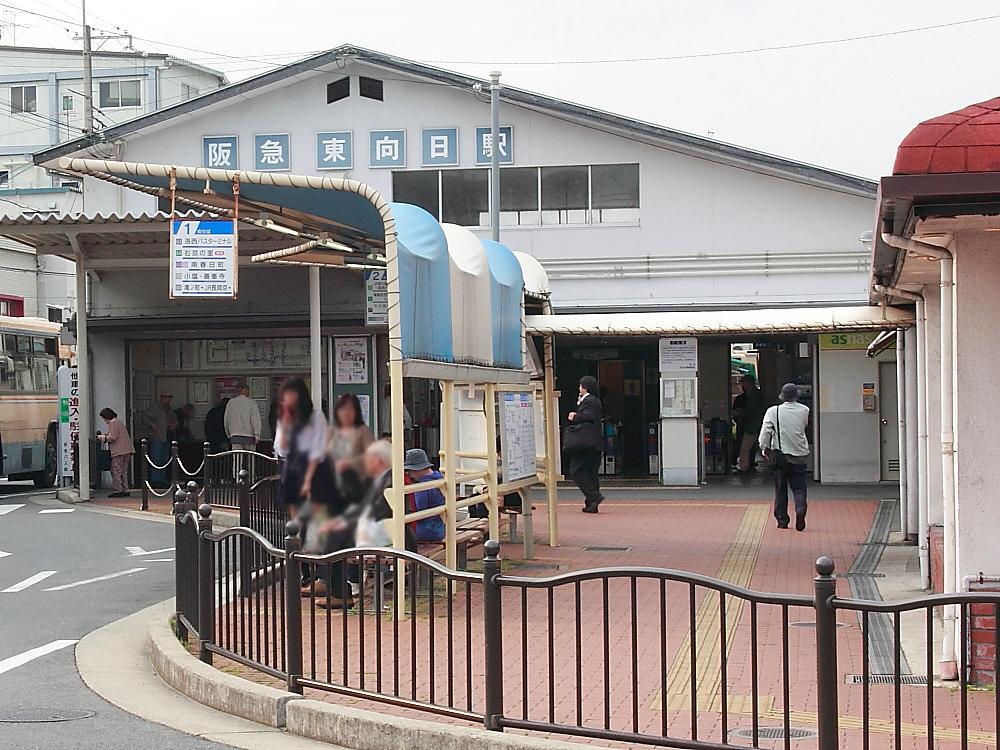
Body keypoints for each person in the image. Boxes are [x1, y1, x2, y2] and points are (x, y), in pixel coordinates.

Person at [273, 377, 332, 511]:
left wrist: (307, 480)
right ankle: (297, 532)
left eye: (291, 393)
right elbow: (281, 449)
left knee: (314, 510)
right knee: (294, 508)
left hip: (315, 468)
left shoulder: (316, 417)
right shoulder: (284, 419)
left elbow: (318, 449)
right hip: (292, 465)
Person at [759, 383, 811, 531]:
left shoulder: (773, 411)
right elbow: (803, 426)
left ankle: (782, 520)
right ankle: (800, 509)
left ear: (782, 396)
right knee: (799, 487)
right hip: (799, 456)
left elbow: (765, 432)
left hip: (780, 456)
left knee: (780, 489)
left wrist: (764, 448)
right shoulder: (804, 410)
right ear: (796, 396)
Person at [567, 375, 605, 513]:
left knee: (575, 470)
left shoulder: (588, 401)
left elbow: (588, 416)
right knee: (591, 472)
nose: (579, 388)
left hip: (585, 443)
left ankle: (594, 497)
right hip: (595, 443)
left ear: (585, 387)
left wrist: (575, 416)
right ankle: (591, 504)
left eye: (580, 385)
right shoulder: (595, 400)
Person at [327, 393, 374, 501]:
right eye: (343, 409)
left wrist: (350, 463)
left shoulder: (363, 430)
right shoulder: (331, 431)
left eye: (350, 409)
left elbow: (371, 455)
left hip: (356, 486)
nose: (346, 413)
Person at [403, 448, 445, 542]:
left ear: (416, 470)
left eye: (409, 471)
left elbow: (418, 508)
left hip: (425, 531)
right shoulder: (440, 478)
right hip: (441, 528)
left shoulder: (422, 487)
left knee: (399, 530)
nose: (410, 475)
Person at [97, 407, 134, 498]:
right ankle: (126, 489)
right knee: (123, 471)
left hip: (118, 451)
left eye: (104, 418)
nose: (104, 421)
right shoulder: (118, 421)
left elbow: (112, 437)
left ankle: (118, 490)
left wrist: (102, 437)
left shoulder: (113, 422)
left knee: (116, 471)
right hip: (126, 450)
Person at [142, 393, 176, 487]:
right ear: (162, 397)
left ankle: (162, 479)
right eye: (167, 397)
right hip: (157, 437)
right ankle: (155, 480)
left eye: (170, 397)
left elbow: (174, 419)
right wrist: (152, 424)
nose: (169, 399)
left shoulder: (169, 409)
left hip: (167, 437)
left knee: (164, 459)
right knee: (156, 459)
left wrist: (173, 424)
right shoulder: (155, 408)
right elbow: (144, 416)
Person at [735, 374, 766, 473]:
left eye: (743, 382)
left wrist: (740, 413)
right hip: (756, 425)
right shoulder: (755, 394)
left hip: (753, 425)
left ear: (748, 383)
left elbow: (752, 410)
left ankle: (743, 467)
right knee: (760, 447)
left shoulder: (754, 395)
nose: (742, 385)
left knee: (745, 447)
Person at [224, 384, 261, 451]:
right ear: (245, 390)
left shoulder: (231, 403)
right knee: (250, 458)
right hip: (249, 436)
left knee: (237, 458)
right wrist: (257, 435)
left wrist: (229, 434)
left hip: (235, 435)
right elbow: (255, 420)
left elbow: (226, 420)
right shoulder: (252, 403)